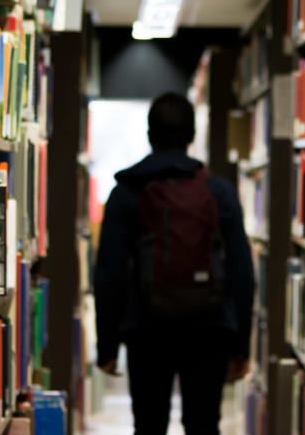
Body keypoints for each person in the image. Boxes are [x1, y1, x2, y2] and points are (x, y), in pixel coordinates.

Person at [94, 92, 256, 435]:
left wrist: (107, 344)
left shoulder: (126, 192)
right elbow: (242, 271)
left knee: (149, 425)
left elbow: (110, 273)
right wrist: (240, 344)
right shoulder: (219, 191)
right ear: (192, 135)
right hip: (208, 329)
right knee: (203, 425)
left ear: (150, 135)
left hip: (146, 330)